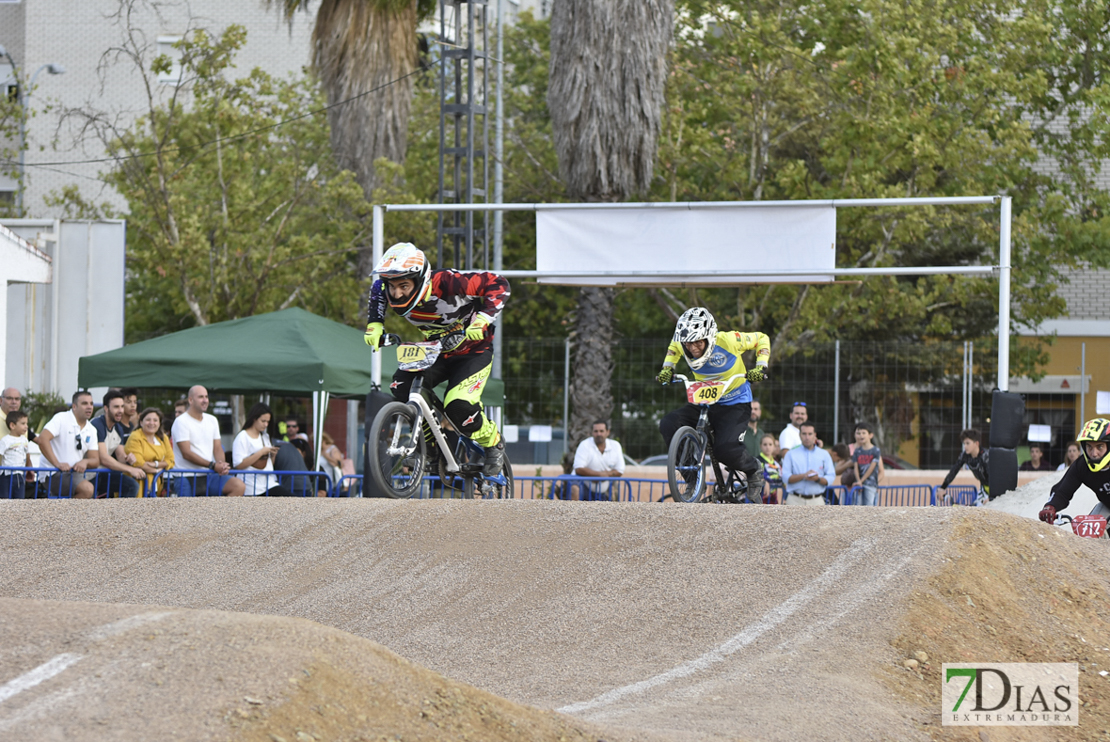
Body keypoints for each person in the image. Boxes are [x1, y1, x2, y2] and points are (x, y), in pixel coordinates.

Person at [364, 242, 511, 477]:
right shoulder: (384, 288)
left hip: (473, 352)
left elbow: (499, 284)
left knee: (458, 406)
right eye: (393, 287)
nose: (397, 293)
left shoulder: (447, 282)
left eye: (404, 285)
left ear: (420, 279)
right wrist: (375, 325)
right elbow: (377, 292)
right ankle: (429, 446)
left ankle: (493, 442)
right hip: (436, 350)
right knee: (401, 388)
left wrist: (483, 319)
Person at [656, 307, 769, 503]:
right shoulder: (682, 341)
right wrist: (667, 367)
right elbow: (674, 347)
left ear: (710, 337)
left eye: (698, 342)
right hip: (704, 401)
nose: (693, 348)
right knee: (668, 424)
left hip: (735, 402)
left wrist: (761, 366)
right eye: (688, 343)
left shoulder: (728, 340)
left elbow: (762, 339)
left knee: (724, 450)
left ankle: (753, 469)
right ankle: (692, 479)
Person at [170, 385, 246, 497]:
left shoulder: (212, 420)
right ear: (190, 400)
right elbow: (186, 453)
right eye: (201, 397)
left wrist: (222, 465)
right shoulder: (181, 421)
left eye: (206, 397)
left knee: (239, 486)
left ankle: (220, 515)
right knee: (187, 513)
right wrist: (213, 465)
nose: (205, 400)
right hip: (185, 476)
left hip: (209, 474)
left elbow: (218, 448)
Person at [1040, 418, 1110, 523]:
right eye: (1089, 447)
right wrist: (1050, 507)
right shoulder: (1081, 466)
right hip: (1107, 506)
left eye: (1099, 447)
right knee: (1090, 529)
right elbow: (1062, 492)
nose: (1094, 453)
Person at [35, 390, 100, 498]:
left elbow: (95, 460)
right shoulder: (61, 418)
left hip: (73, 474)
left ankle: (63, 512)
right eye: (84, 403)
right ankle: (66, 514)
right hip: (52, 473)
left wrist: (85, 461)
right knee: (87, 489)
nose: (89, 407)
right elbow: (42, 439)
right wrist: (57, 463)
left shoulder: (92, 429)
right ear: (74, 406)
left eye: (91, 403)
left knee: (92, 490)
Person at [89, 389, 144, 498]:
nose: (120, 410)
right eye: (116, 407)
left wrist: (128, 459)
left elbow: (120, 456)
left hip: (103, 473)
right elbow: (103, 458)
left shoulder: (118, 428)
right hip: (89, 474)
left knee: (132, 486)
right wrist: (130, 469)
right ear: (106, 408)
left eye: (122, 406)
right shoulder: (96, 424)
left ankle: (121, 515)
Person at [232, 403, 294, 497]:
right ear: (254, 418)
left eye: (268, 422)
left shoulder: (265, 436)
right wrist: (261, 452)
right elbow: (238, 465)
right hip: (251, 487)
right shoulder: (242, 437)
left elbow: (269, 465)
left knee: (291, 500)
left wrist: (273, 455)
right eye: (263, 421)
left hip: (269, 483)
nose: (266, 424)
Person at [124, 407, 175, 496]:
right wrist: (157, 471)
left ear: (159, 423)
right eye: (148, 420)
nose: (152, 423)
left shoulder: (163, 438)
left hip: (156, 485)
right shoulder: (135, 437)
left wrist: (156, 464)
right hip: (137, 484)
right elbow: (138, 463)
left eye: (155, 420)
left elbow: (171, 460)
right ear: (141, 422)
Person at [781, 423, 835, 505]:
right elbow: (785, 477)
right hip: (794, 500)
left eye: (810, 434)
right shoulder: (790, 454)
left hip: (817, 500)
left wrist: (817, 479)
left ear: (815, 435)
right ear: (799, 435)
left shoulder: (824, 454)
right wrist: (803, 476)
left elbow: (831, 476)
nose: (807, 437)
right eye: (804, 434)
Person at [572, 420, 625, 500]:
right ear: (592, 433)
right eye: (596, 431)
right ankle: (574, 512)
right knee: (574, 488)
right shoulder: (584, 445)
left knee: (615, 493)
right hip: (583, 487)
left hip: (605, 490)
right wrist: (599, 475)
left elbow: (620, 470)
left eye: (601, 431)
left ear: (608, 432)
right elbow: (578, 469)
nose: (598, 434)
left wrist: (604, 475)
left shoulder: (616, 446)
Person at [936, 428, 990, 505]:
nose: (965, 446)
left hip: (996, 488)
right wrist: (942, 487)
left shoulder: (985, 456)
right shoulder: (965, 456)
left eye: (968, 443)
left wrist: (991, 497)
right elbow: (954, 470)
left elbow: (994, 477)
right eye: (964, 443)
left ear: (976, 443)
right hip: (984, 488)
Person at [0, 411, 32, 499]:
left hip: (20, 474)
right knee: (4, 500)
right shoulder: (5, 440)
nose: (26, 426)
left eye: (26, 423)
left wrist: (29, 468)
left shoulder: (24, 440)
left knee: (19, 501)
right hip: (6, 475)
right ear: (12, 426)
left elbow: (27, 454)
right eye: (23, 423)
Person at [851, 423, 883, 506]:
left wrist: (861, 481)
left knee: (868, 508)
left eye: (864, 433)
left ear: (870, 435)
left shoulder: (875, 450)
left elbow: (872, 467)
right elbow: (856, 467)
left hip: (870, 484)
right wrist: (858, 481)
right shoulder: (857, 451)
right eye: (859, 433)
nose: (861, 435)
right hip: (858, 485)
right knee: (857, 507)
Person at [757, 433, 784, 504]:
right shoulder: (757, 461)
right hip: (761, 498)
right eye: (765, 444)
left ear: (774, 447)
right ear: (760, 446)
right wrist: (764, 481)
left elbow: (780, 483)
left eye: (770, 444)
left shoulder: (777, 464)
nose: (767, 447)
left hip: (775, 499)